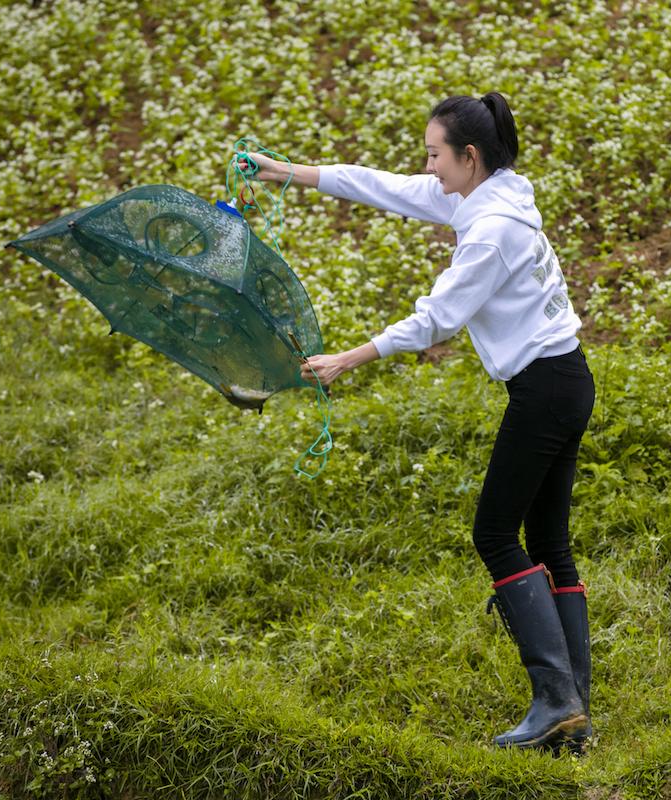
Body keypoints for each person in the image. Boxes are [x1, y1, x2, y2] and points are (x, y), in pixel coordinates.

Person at [246, 92, 594, 753]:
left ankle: (555, 701)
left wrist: (350, 357)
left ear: (469, 157)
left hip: (546, 390)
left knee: (494, 533)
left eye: (435, 154)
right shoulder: (494, 193)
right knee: (548, 539)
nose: (427, 168)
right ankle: (571, 714)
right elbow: (380, 187)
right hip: (566, 379)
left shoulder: (491, 231)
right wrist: (286, 172)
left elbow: (437, 316)